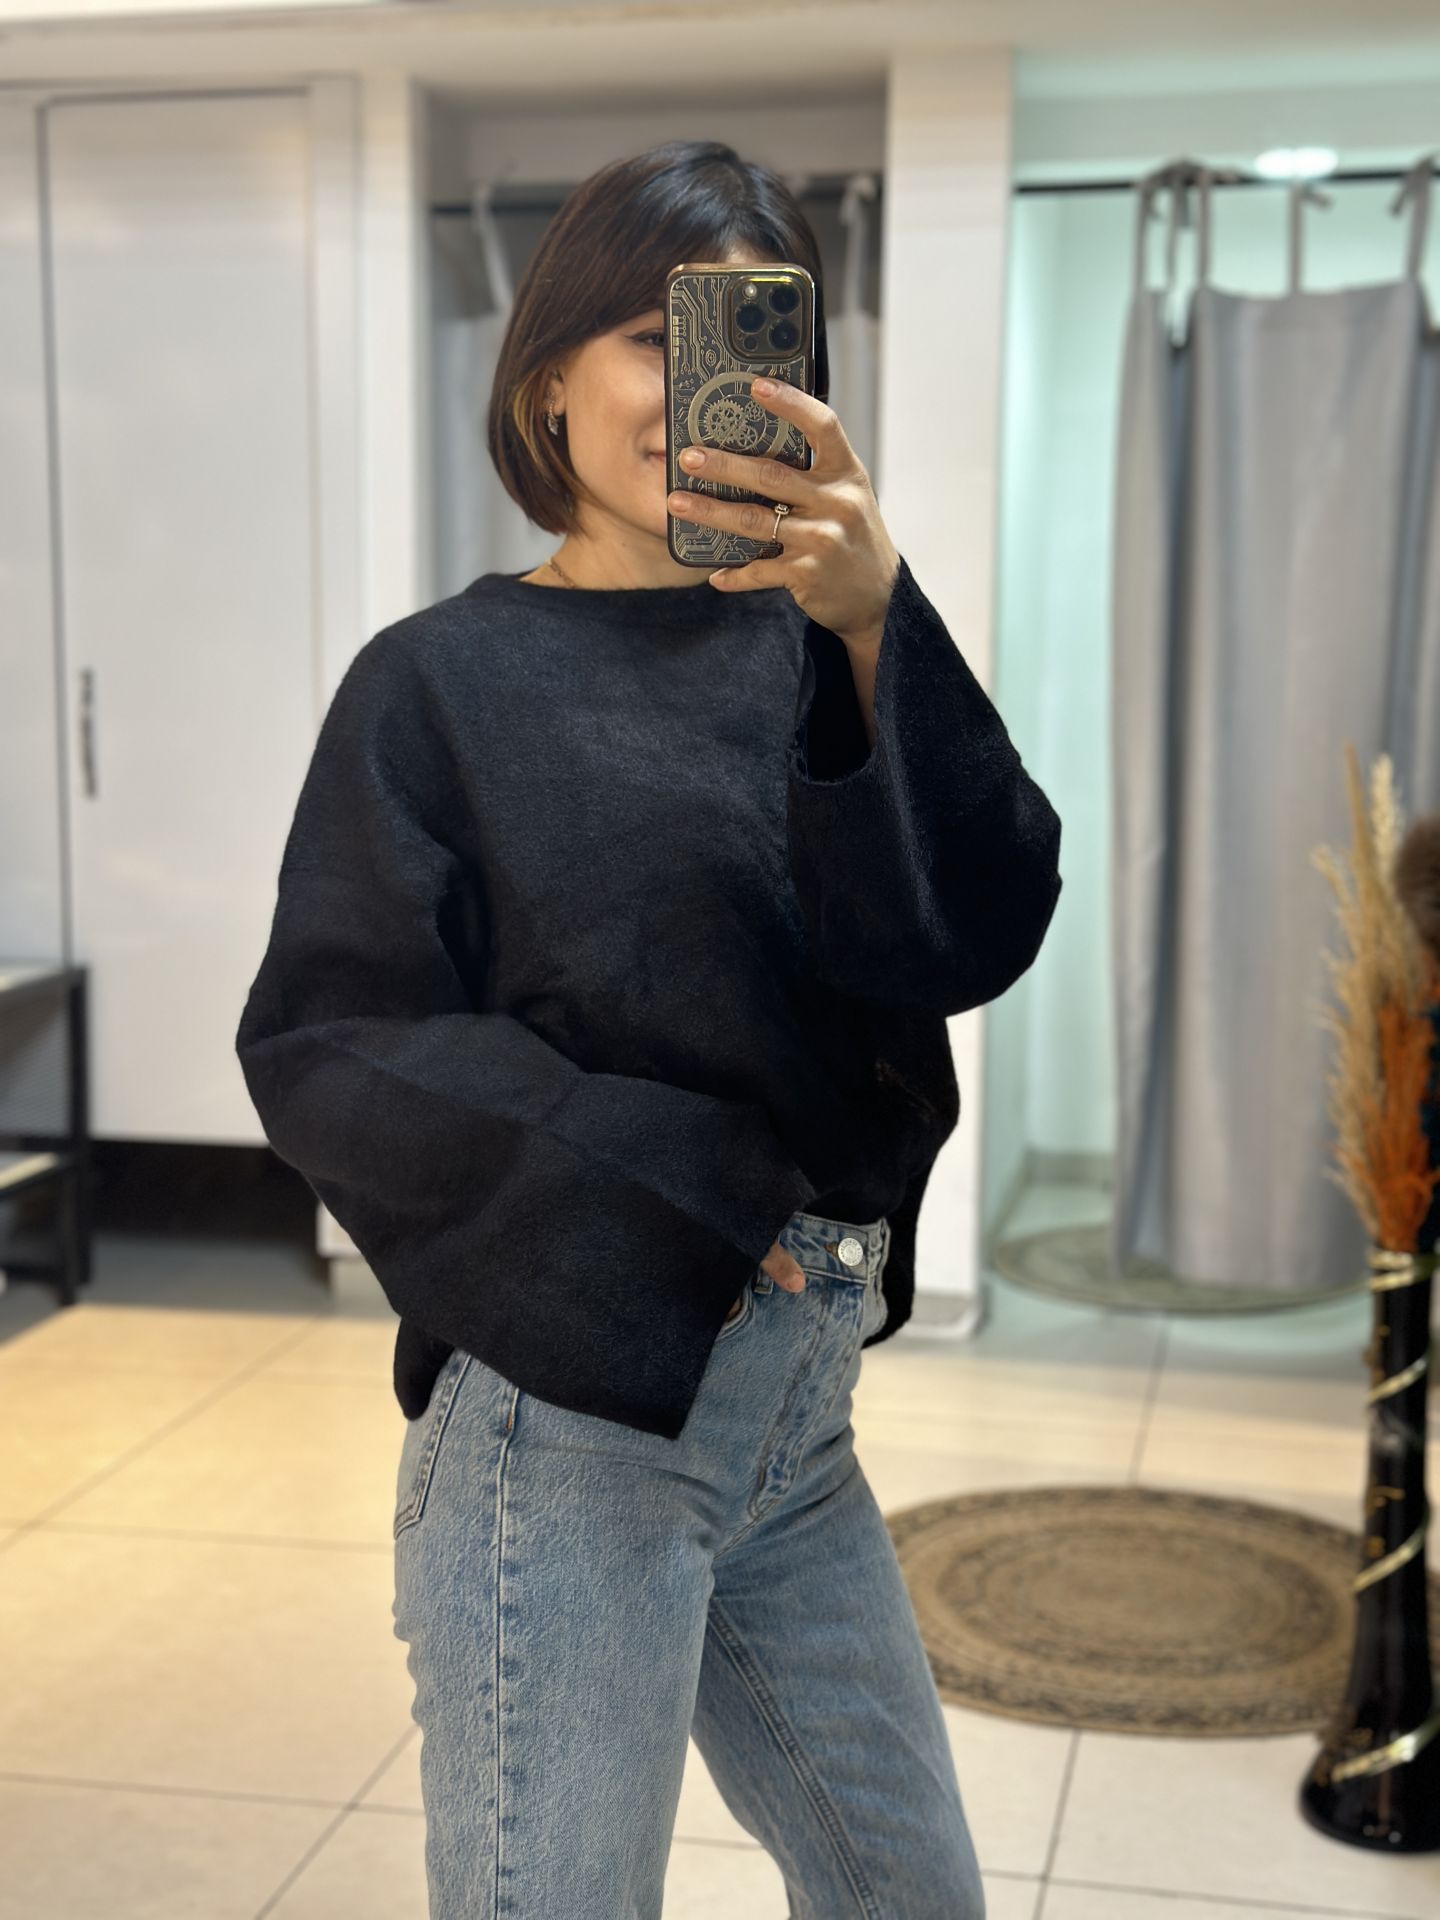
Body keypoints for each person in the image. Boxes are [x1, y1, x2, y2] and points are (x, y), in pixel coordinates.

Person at [236, 138, 1063, 1918]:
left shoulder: (817, 645)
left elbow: (974, 927)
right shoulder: (436, 685)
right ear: (550, 380)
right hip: (570, 1427)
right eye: (652, 337)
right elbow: (325, 1038)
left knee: (916, 1896)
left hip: (799, 1428)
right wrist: (679, 1199)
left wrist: (881, 628)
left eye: (757, 345)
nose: (706, 394)